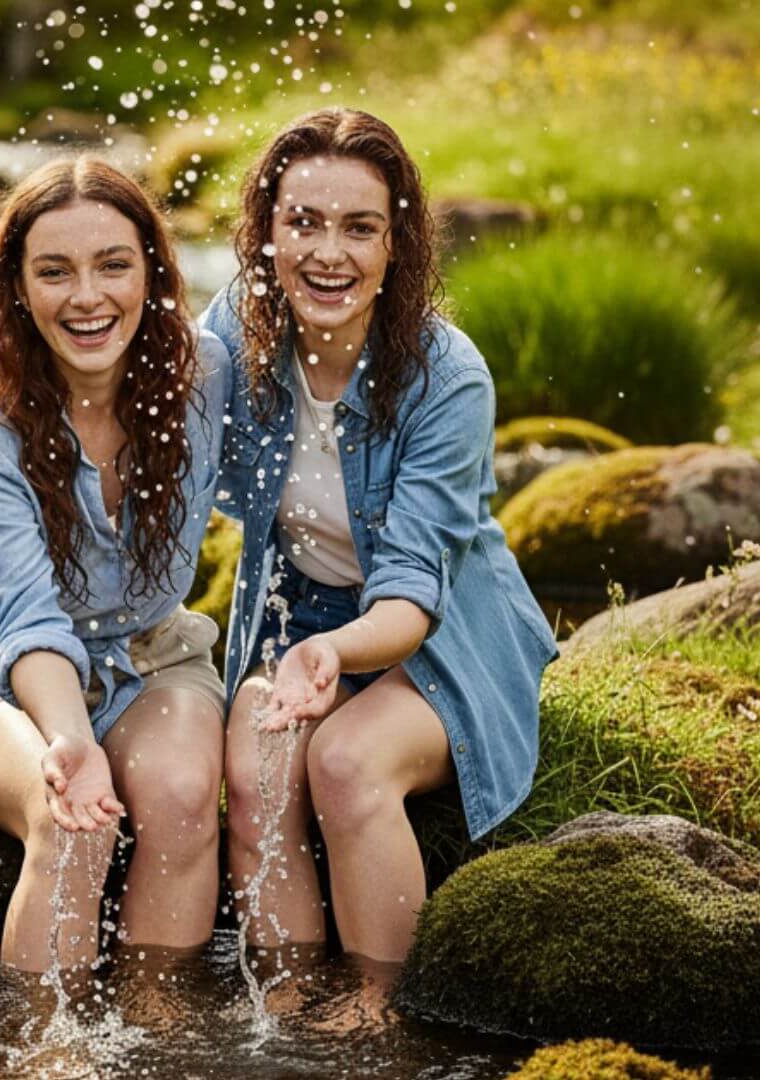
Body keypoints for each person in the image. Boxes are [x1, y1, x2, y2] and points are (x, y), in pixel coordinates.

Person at [199, 108, 559, 987]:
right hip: (303, 614)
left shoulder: (447, 376)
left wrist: (332, 651)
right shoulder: (232, 336)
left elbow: (408, 597)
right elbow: (146, 446)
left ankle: (376, 1022)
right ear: (264, 233)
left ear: (398, 243)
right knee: (251, 768)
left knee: (345, 762)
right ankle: (283, 1009)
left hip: (444, 633)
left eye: (361, 227)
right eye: (304, 224)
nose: (331, 254)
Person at [0, 155, 231, 980]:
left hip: (155, 653)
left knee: (187, 799)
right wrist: (68, 739)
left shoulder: (204, 377)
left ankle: (159, 1040)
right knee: (71, 822)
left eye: (113, 266)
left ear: (154, 274)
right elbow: (26, 621)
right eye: (54, 272)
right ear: (18, 290)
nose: (87, 297)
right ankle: (42, 1055)